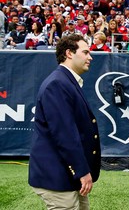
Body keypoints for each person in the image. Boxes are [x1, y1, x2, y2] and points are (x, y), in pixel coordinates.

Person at [28, 34, 101, 209]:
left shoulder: (67, 81)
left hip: (68, 174)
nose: (90, 57)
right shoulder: (58, 84)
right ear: (69, 53)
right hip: (57, 176)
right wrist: (82, 171)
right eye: (85, 52)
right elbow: (65, 134)